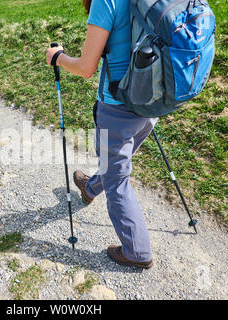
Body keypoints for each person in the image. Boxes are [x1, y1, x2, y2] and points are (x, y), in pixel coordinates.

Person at [46, 0, 157, 269]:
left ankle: (137, 252)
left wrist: (57, 57)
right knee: (114, 167)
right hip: (154, 98)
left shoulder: (106, 1)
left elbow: (86, 67)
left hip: (118, 108)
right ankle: (91, 187)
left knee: (117, 181)